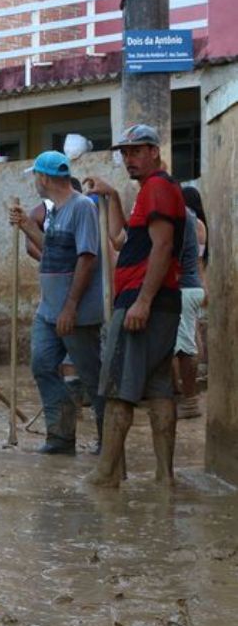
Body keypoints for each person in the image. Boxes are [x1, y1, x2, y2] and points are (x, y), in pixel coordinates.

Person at [84, 124, 186, 488]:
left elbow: (162, 246)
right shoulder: (153, 191)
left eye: (136, 151)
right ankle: (164, 477)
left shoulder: (158, 188)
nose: (129, 158)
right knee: (158, 389)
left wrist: (141, 301)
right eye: (125, 153)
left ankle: (106, 476)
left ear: (155, 152)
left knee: (116, 390)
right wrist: (111, 196)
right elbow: (119, 239)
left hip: (142, 303)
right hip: (158, 303)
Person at [10, 151, 105, 455]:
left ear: (45, 178)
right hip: (48, 310)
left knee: (92, 377)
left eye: (36, 176)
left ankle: (109, 443)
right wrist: (26, 224)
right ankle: (61, 436)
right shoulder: (55, 210)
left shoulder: (82, 208)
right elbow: (51, 250)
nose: (35, 183)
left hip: (74, 313)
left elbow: (87, 258)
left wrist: (70, 306)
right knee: (42, 365)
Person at [174, 185, 208, 419]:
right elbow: (199, 259)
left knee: (184, 345)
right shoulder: (199, 223)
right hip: (195, 284)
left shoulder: (186, 221)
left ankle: (188, 399)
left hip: (186, 287)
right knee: (191, 337)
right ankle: (188, 394)